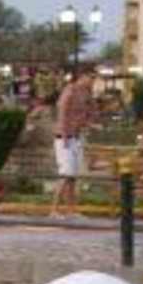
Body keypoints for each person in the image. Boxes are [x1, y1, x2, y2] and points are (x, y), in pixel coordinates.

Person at [52, 67, 95, 211]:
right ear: (82, 77)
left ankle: (70, 209)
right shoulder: (70, 90)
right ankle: (54, 209)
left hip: (76, 137)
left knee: (73, 175)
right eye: (90, 77)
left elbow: (91, 112)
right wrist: (65, 135)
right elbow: (62, 111)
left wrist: (88, 120)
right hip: (65, 137)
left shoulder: (86, 93)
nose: (92, 81)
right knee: (66, 173)